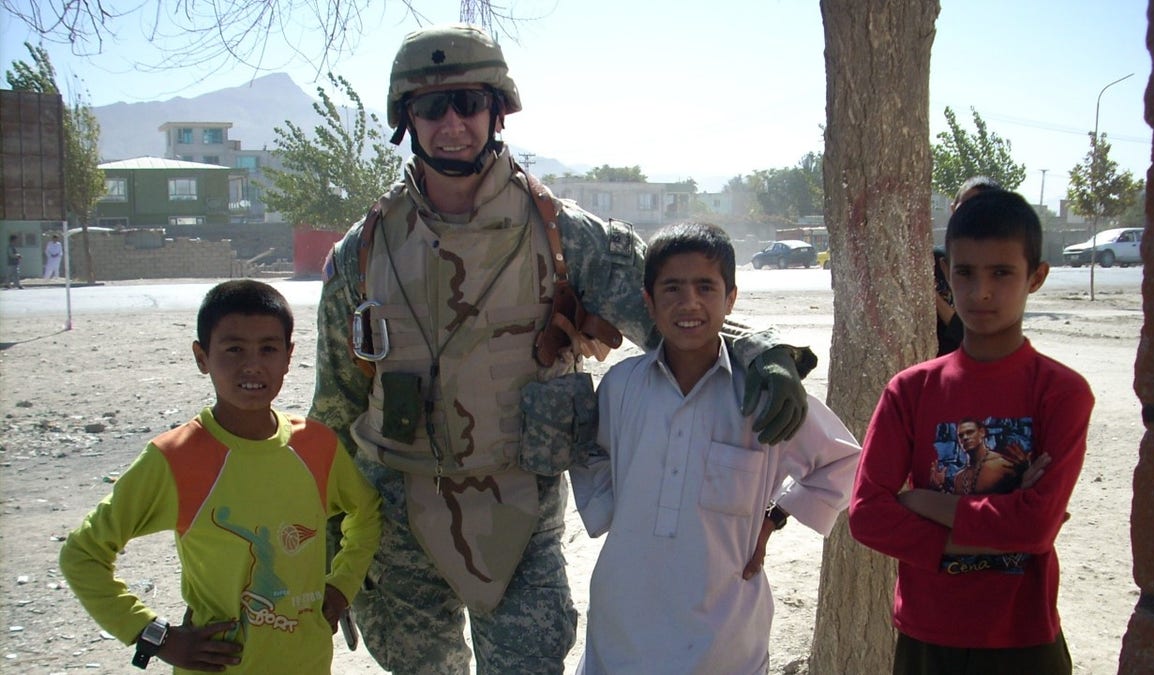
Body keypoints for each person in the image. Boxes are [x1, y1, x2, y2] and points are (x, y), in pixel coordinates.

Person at [309, 23, 811, 674]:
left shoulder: (562, 235)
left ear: (497, 110)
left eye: (468, 102)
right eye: (431, 106)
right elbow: (334, 404)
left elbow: (680, 315)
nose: (452, 122)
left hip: (518, 512)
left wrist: (763, 348)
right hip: (396, 518)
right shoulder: (364, 252)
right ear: (406, 118)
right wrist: (323, 531)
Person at [569, 222, 861, 674]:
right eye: (671, 288)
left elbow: (844, 462)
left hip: (723, 639)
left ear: (731, 299)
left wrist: (776, 516)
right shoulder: (621, 386)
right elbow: (591, 452)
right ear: (647, 301)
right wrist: (616, 514)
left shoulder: (763, 396)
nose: (689, 303)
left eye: (706, 287)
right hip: (623, 628)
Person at [60, 279, 382, 673]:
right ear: (202, 357)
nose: (252, 365)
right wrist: (155, 637)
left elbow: (366, 515)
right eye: (233, 350)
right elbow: (82, 555)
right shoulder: (175, 458)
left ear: (288, 355)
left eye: (268, 348)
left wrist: (341, 587)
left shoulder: (316, 445)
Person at [848, 190, 1095, 674]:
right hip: (927, 635)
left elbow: (1037, 527)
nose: (981, 292)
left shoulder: (1061, 393)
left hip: (1021, 636)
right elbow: (868, 517)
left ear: (1036, 277)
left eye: (1001, 273)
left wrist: (921, 503)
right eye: (965, 273)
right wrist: (1006, 523)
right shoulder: (911, 391)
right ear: (947, 274)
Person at [936, 177, 1001, 356]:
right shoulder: (932, 260)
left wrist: (933, 297)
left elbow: (970, 333)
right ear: (952, 209)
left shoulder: (1002, 269)